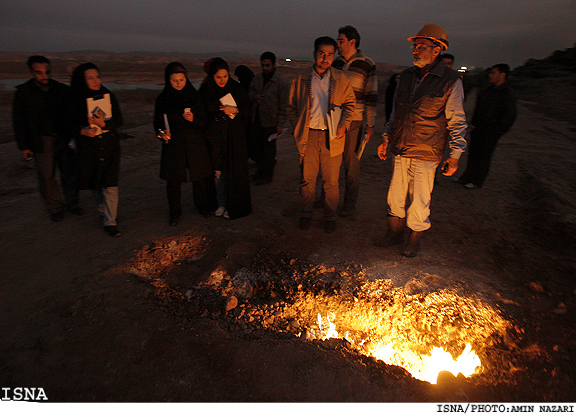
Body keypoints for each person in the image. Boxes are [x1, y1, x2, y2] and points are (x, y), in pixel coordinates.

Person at [375, 24, 467, 256]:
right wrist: (387, 137)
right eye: (414, 46)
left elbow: (456, 120)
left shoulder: (450, 81)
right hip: (401, 146)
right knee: (395, 195)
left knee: (420, 200)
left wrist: (455, 155)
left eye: (421, 46)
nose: (415, 50)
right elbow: (396, 112)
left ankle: (414, 239)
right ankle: (394, 233)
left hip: (427, 150)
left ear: (436, 50)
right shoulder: (406, 76)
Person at [287, 36, 356, 233]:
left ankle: (329, 216)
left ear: (334, 56)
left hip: (332, 137)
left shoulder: (341, 78)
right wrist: (296, 127)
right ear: (314, 54)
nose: (325, 59)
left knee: (331, 182)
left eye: (329, 55)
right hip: (308, 135)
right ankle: (306, 213)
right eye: (321, 54)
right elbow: (291, 106)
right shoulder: (301, 79)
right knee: (307, 180)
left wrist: (344, 125)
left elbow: (351, 104)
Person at [12, 55, 83, 222]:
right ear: (31, 71)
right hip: (41, 141)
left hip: (64, 138)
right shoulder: (23, 93)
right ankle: (55, 207)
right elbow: (19, 121)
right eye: (39, 72)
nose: (44, 76)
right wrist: (24, 146)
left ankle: (73, 203)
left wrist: (74, 78)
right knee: (47, 176)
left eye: (47, 72)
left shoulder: (60, 89)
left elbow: (76, 103)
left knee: (69, 172)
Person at [154, 62, 216, 226]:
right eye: (175, 80)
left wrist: (194, 119)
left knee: (200, 178)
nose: (179, 83)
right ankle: (175, 212)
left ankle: (203, 207)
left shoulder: (194, 96)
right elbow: (158, 123)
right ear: (168, 80)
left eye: (181, 79)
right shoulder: (163, 99)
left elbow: (204, 121)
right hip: (174, 144)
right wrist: (162, 134)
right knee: (173, 181)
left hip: (195, 142)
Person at [70, 62, 124, 237]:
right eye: (90, 78)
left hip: (109, 146)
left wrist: (104, 124)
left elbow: (119, 120)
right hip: (89, 148)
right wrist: (83, 131)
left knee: (110, 184)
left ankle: (110, 221)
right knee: (95, 183)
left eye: (98, 76)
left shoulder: (108, 95)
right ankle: (104, 211)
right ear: (81, 80)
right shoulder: (74, 99)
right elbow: (66, 125)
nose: (95, 81)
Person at [333, 25, 378, 217]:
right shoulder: (334, 63)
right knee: (330, 162)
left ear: (352, 42)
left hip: (355, 121)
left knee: (351, 164)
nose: (338, 44)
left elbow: (372, 95)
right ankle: (327, 198)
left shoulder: (367, 64)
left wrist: (370, 124)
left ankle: (349, 205)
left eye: (341, 40)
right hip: (334, 120)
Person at [199, 57, 252, 220]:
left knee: (233, 172)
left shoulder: (236, 89)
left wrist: (234, 110)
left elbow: (247, 112)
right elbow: (201, 113)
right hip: (215, 139)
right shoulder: (206, 90)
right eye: (218, 77)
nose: (222, 80)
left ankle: (233, 205)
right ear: (212, 77)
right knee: (218, 173)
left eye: (225, 76)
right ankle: (221, 203)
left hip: (233, 138)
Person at [458, 64, 517, 189]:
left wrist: (496, 131)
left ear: (502, 75)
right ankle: (466, 177)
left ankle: (476, 181)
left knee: (483, 156)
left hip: (490, 131)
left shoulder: (507, 93)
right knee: (473, 154)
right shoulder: (489, 89)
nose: (490, 75)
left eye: (493, 73)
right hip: (479, 128)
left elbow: (509, 115)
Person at [248, 51, 291, 185]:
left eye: (267, 65)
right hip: (257, 120)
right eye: (263, 65)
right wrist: (255, 97)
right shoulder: (258, 78)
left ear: (273, 64)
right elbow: (250, 92)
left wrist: (279, 124)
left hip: (271, 122)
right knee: (258, 150)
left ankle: (267, 176)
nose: (265, 68)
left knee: (269, 152)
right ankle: (260, 172)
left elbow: (284, 105)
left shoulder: (281, 82)